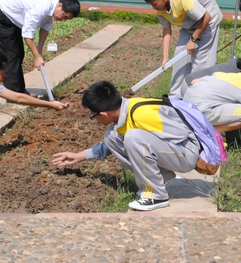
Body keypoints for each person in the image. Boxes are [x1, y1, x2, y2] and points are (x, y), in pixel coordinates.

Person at [51, 80, 200, 212]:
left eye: (93, 115)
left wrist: (149, 141)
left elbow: (182, 134)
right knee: (113, 137)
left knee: (133, 137)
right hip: (176, 151)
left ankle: (156, 195)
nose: (94, 119)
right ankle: (162, 177)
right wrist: (79, 156)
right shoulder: (126, 111)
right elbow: (112, 144)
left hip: (187, 153)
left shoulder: (141, 115)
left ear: (103, 114)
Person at [0, 0, 81, 95]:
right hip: (1, 15)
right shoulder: (41, 7)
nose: (63, 20)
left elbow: (46, 27)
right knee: (11, 54)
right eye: (64, 16)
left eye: (67, 19)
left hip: (13, 19)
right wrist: (36, 57)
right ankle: (14, 93)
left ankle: (16, 89)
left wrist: (39, 49)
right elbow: (27, 34)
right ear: (60, 5)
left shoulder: (54, 5)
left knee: (18, 54)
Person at [143, 0, 223, 98]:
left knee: (200, 62)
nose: (154, 8)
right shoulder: (161, 10)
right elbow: (166, 31)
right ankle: (176, 96)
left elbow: (206, 17)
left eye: (154, 4)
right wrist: (165, 58)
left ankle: (198, 97)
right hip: (189, 26)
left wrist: (193, 39)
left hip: (208, 22)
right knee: (179, 57)